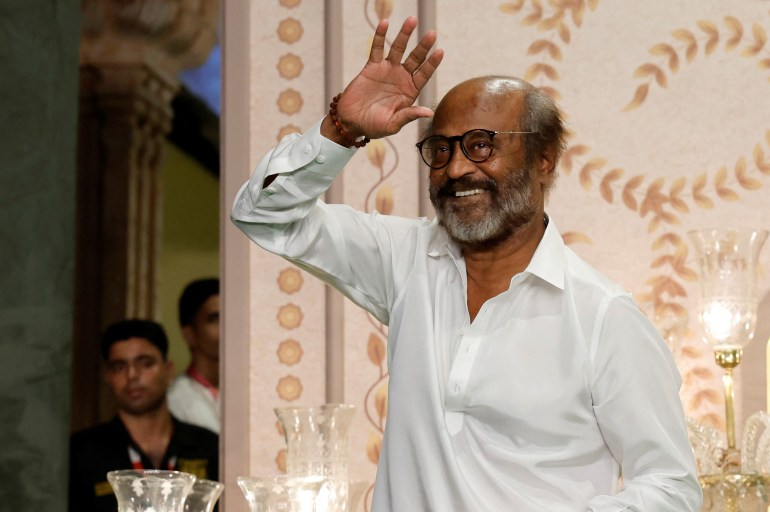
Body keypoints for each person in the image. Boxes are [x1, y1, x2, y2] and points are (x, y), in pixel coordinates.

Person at [230, 16, 702, 512]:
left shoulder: (605, 317)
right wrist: (341, 130)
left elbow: (671, 490)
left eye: (481, 145)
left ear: (544, 160)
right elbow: (263, 216)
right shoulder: (406, 258)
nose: (456, 169)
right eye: (441, 149)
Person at [69, 319, 219, 512]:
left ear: (168, 370)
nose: (132, 375)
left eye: (146, 364)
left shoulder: (207, 445)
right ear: (108, 377)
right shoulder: (82, 452)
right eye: (119, 367)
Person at [167, 278, 221, 433]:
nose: (227, 326)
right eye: (215, 319)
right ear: (189, 334)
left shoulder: (248, 391)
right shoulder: (176, 400)